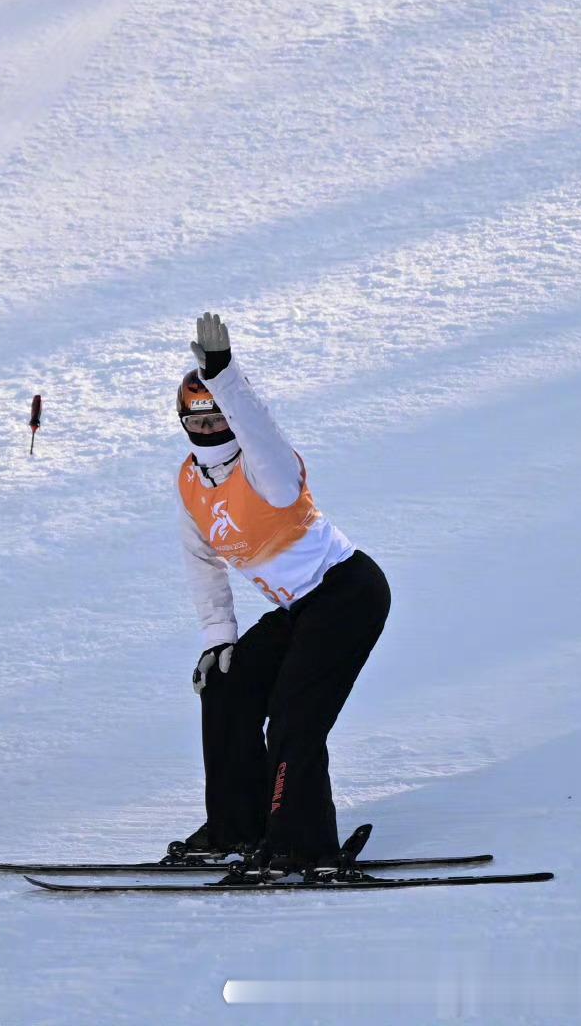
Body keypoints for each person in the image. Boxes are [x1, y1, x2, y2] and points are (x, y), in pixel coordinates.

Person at [174, 311, 390, 875]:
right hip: (299, 608)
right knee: (227, 685)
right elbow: (201, 562)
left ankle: (302, 841)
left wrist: (225, 377)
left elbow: (259, 428)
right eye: (193, 422)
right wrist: (218, 639)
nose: (205, 432)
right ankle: (235, 827)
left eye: (214, 419)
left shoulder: (266, 468)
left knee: (295, 716)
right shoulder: (191, 483)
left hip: (346, 593)